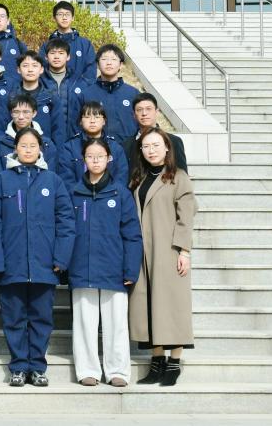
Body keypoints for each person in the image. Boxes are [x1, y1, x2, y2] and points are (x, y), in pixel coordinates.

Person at [0, 127, 75, 388]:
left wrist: (61, 259)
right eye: (23, 145)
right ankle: (18, 367)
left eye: (33, 145)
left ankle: (37, 367)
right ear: (15, 149)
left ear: (40, 149)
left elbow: (66, 222)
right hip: (11, 264)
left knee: (41, 319)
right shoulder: (2, 180)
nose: (28, 150)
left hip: (44, 264)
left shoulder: (52, 181)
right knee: (13, 319)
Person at [69, 138, 143, 388]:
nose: (95, 160)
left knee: (116, 323)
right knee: (84, 323)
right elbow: (65, 229)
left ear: (109, 159)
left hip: (114, 267)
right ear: (84, 160)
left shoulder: (120, 193)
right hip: (82, 266)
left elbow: (132, 234)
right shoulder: (74, 192)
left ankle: (117, 370)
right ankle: (87, 369)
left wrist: (131, 269)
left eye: (100, 156)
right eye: (90, 156)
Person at [128, 128, 197, 387]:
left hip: (168, 250)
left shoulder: (178, 177)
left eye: (156, 145)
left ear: (167, 148)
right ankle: (157, 361)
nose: (151, 150)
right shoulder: (139, 178)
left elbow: (186, 216)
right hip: (143, 252)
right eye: (146, 146)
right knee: (148, 306)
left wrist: (184, 251)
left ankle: (174, 362)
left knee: (172, 306)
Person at [73, 45, 140, 144]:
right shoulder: (86, 94)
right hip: (95, 149)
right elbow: (76, 126)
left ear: (121, 65)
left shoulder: (133, 94)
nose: (109, 63)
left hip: (128, 149)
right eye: (104, 59)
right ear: (98, 64)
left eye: (114, 59)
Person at [58, 101, 130, 188]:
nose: (92, 121)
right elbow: (66, 180)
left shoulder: (115, 148)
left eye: (97, 117)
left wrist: (109, 194)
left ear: (104, 121)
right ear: (80, 121)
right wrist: (82, 193)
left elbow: (121, 177)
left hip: (110, 195)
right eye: (87, 117)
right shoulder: (70, 147)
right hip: (78, 194)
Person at [0, 92, 58, 176]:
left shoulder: (47, 144)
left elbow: (50, 177)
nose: (21, 117)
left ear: (34, 113)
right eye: (16, 112)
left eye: (26, 112)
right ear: (11, 113)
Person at [40, 38, 89, 148]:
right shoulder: (39, 81)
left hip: (74, 140)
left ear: (68, 57)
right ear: (46, 57)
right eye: (52, 53)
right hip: (44, 140)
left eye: (61, 53)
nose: (56, 57)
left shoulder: (79, 82)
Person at [126, 92, 188, 172]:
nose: (144, 113)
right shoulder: (126, 144)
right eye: (139, 110)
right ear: (134, 115)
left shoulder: (174, 141)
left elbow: (182, 174)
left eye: (148, 109)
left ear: (156, 112)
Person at [38, 0, 97, 82]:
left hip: (79, 89)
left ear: (73, 18)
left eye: (67, 14)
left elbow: (90, 74)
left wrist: (80, 88)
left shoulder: (85, 44)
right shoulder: (46, 45)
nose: (64, 18)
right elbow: (42, 72)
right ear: (54, 18)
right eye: (60, 14)